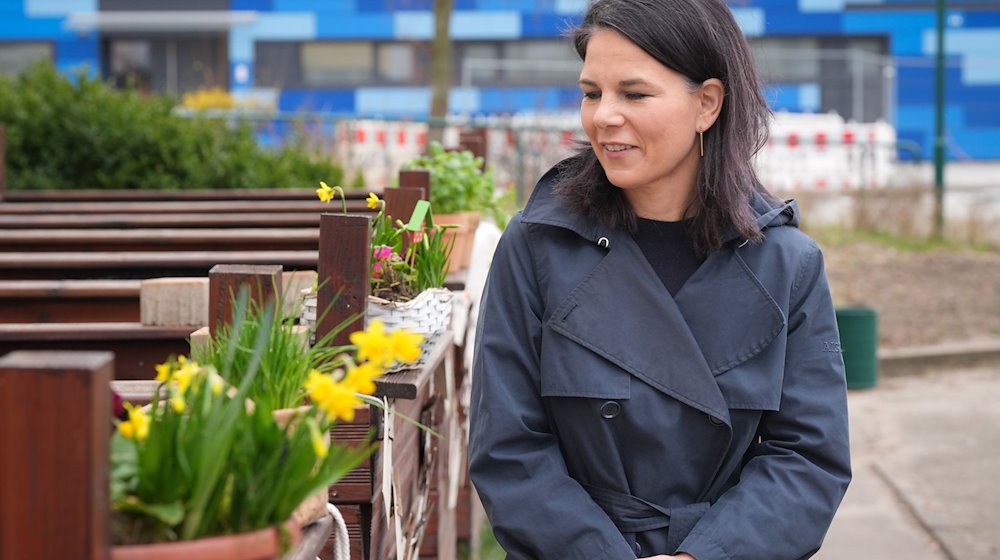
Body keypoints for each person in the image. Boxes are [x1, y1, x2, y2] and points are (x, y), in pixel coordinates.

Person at [467, 0, 852, 558]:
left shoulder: (787, 265)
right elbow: (508, 449)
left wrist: (705, 554)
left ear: (707, 103)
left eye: (634, 93)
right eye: (591, 93)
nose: (602, 117)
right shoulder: (536, 246)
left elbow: (808, 458)